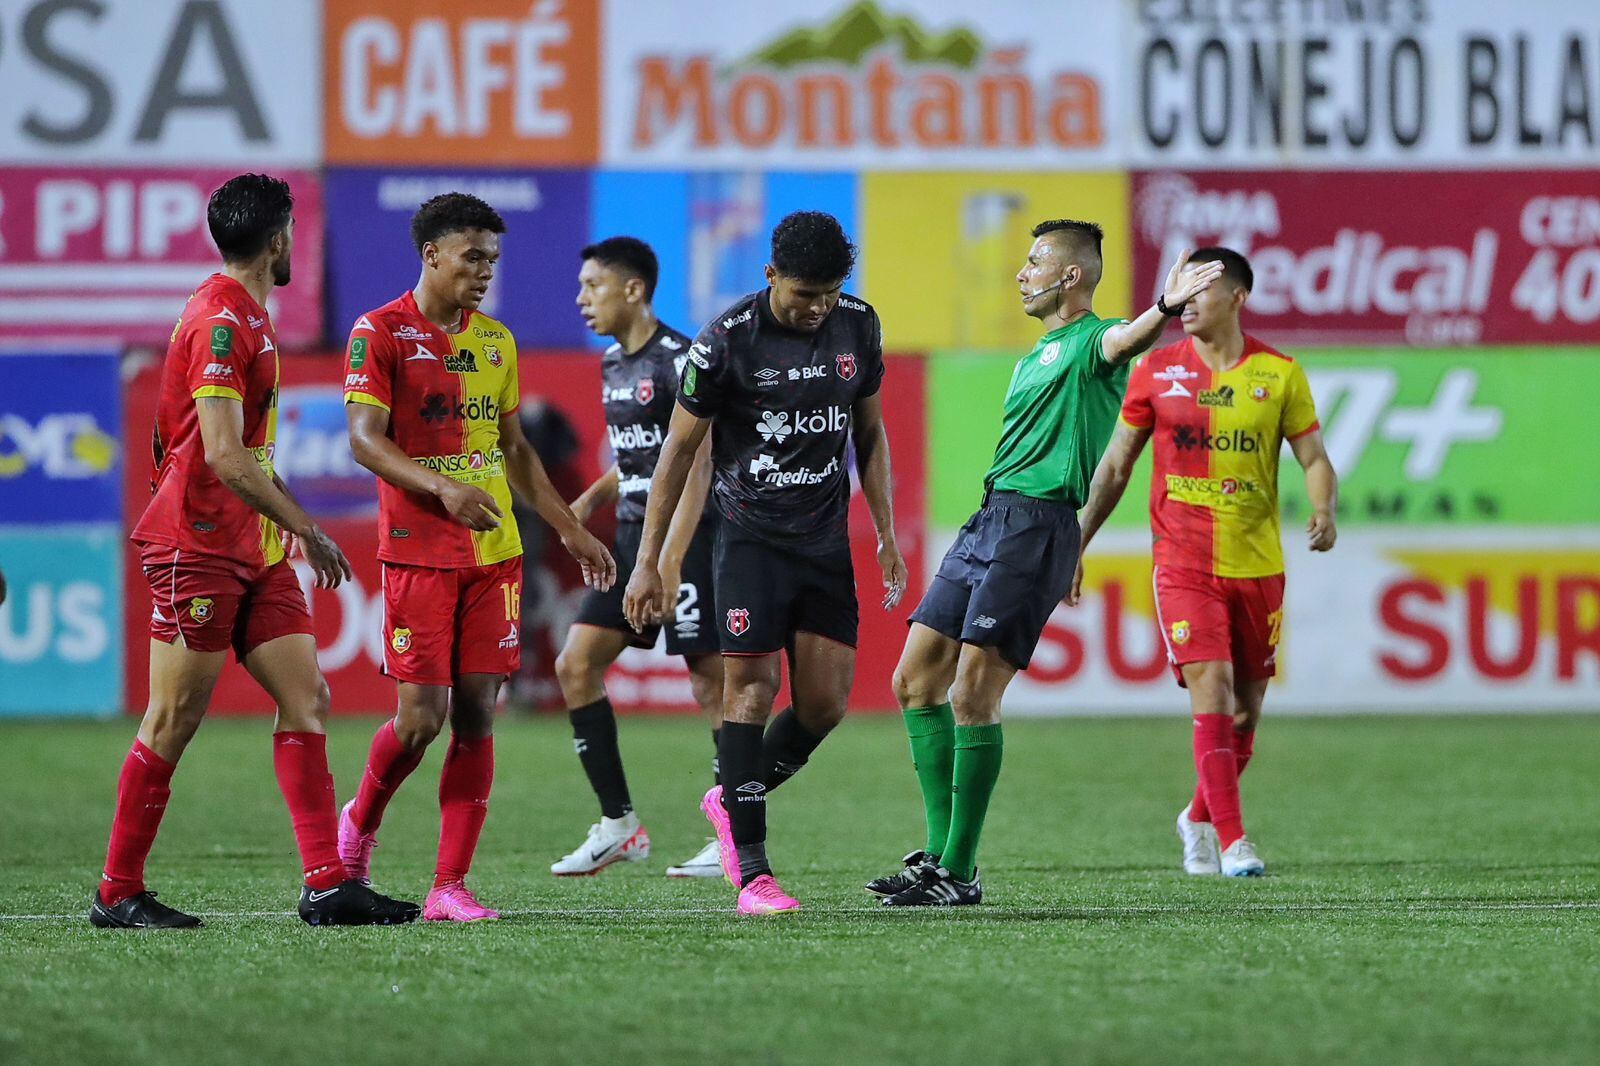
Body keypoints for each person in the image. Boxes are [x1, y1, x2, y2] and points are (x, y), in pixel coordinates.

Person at [94, 173, 419, 929]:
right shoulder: (220, 318)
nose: (295, 247)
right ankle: (117, 891)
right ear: (278, 241)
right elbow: (221, 454)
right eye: (293, 235)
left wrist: (281, 533)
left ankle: (327, 883)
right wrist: (306, 526)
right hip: (198, 544)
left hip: (253, 545)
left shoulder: (247, 315)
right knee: (173, 717)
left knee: (306, 696)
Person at [875, 221, 1225, 907]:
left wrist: (1163, 306)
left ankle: (958, 868)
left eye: (1035, 262)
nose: (1020, 273)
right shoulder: (1039, 351)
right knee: (914, 680)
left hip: (1036, 526)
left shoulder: (1096, 340)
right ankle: (944, 859)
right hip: (991, 518)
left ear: (1071, 276)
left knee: (974, 693)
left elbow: (1126, 340)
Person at [338, 193, 616, 922]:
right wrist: (443, 489)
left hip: (496, 553)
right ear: (432, 254)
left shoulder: (496, 342)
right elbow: (365, 440)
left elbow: (516, 450)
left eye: (492, 258)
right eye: (472, 256)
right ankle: (359, 825)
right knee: (420, 720)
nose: (485, 270)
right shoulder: (380, 333)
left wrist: (567, 526)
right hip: (419, 552)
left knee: (476, 715)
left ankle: (449, 886)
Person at [624, 211, 906, 915]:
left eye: (829, 294)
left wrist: (887, 532)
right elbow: (679, 455)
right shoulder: (727, 342)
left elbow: (868, 435)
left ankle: (730, 796)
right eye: (804, 294)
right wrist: (649, 561)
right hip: (748, 538)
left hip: (825, 543)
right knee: (748, 692)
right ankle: (753, 873)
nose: (816, 309)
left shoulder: (859, 325)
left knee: (824, 705)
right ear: (770, 275)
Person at [1071, 246, 1338, 878]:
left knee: (1244, 713)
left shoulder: (1280, 374)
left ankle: (1197, 815)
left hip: (1258, 563)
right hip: (1182, 561)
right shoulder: (1155, 371)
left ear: (1238, 297)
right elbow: (1114, 468)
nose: (1186, 304)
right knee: (1211, 690)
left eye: (1199, 292)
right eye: (1179, 292)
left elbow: (1315, 457)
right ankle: (1235, 839)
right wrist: (1075, 543)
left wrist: (1324, 509)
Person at [548, 236, 724, 878]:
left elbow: (697, 463)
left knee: (712, 682)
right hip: (629, 540)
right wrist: (580, 507)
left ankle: (729, 833)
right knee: (575, 665)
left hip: (689, 539)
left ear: (633, 289)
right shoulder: (611, 365)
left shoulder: (681, 360)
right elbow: (634, 465)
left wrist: (671, 555)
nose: (581, 298)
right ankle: (619, 824)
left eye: (593, 285)